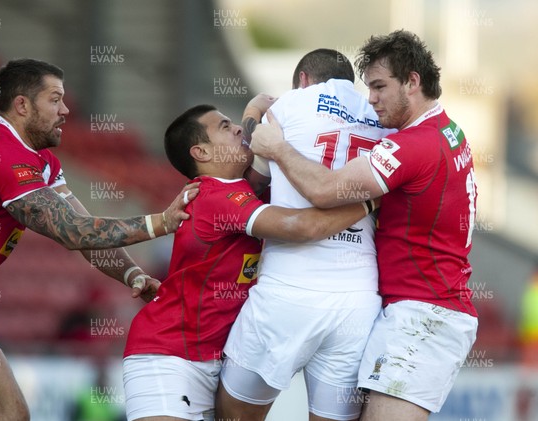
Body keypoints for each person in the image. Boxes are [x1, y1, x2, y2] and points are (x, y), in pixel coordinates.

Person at [0, 58, 198, 421]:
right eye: (55, 99)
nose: (66, 109)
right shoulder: (2, 155)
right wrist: (161, 222)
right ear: (22, 105)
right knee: (8, 413)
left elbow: (81, 230)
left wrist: (133, 276)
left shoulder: (41, 161)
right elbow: (71, 231)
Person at [250, 30, 479, 421]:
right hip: (421, 309)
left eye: (379, 87)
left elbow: (325, 190)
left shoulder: (413, 146)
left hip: (423, 316)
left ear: (412, 81)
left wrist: (276, 147)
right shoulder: (446, 128)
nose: (370, 98)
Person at [122, 104, 379, 421]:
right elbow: (302, 227)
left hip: (220, 358)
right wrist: (373, 198)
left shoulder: (242, 189)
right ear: (201, 152)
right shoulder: (211, 197)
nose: (238, 130)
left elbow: (257, 148)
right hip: (169, 354)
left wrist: (256, 110)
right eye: (225, 127)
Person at [216, 49, 395, 421]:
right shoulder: (383, 121)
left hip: (289, 288)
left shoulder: (290, 104)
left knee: (234, 415)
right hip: (358, 298)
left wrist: (252, 110)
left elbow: (254, 173)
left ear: (302, 80)